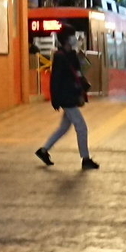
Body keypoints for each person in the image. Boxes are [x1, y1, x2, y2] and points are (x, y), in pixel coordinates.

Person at [35, 31, 100, 170]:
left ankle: (44, 150)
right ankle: (86, 158)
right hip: (66, 98)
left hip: (71, 96)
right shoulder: (60, 57)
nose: (74, 39)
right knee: (81, 127)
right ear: (65, 40)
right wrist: (55, 99)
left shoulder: (73, 55)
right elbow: (56, 79)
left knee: (64, 127)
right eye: (72, 36)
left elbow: (78, 74)